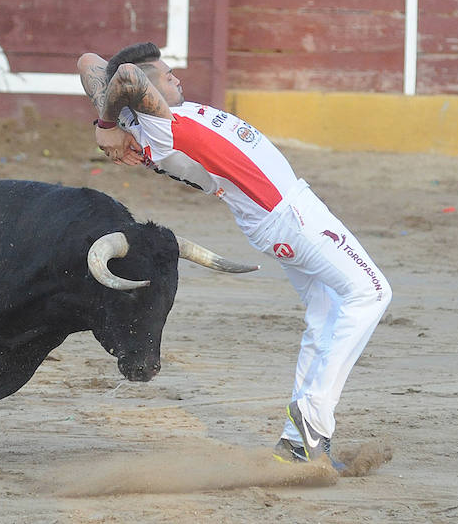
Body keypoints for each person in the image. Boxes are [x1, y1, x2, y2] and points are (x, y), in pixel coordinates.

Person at [77, 42, 392, 470]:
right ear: (145, 92)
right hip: (289, 214)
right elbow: (127, 75)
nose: (177, 79)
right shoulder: (158, 126)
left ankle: (296, 445)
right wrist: (107, 121)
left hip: (275, 217)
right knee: (371, 293)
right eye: (168, 77)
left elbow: (92, 64)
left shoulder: (141, 119)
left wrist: (108, 123)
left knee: (326, 314)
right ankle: (314, 414)